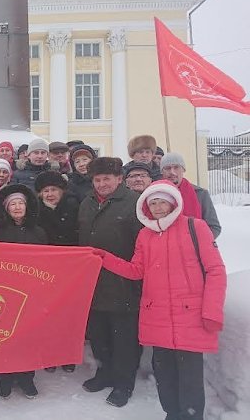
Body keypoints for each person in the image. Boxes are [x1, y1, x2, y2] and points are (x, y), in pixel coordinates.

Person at [96, 180, 226, 420]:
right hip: (157, 317)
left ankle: (190, 415)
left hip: (191, 316)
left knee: (189, 377)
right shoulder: (145, 234)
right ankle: (172, 414)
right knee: (165, 375)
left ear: (173, 202)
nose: (157, 207)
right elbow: (137, 270)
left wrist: (212, 311)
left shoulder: (195, 227)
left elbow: (216, 271)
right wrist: (105, 259)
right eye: (152, 202)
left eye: (162, 201)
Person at [78, 157, 143, 408]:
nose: (102, 184)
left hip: (124, 283)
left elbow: (142, 244)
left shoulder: (134, 203)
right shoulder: (87, 203)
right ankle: (104, 373)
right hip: (94, 283)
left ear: (119, 179)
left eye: (107, 179)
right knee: (99, 335)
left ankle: (124, 383)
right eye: (97, 179)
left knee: (124, 339)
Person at [0, 183, 47, 399]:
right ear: (6, 208)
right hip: (4, 290)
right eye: (12, 204)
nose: (17, 207)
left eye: (20, 203)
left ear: (27, 206)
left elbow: (47, 261)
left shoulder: (39, 232)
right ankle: (4, 378)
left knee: (27, 336)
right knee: (3, 336)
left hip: (30, 290)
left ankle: (27, 378)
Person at [34, 170, 80, 373]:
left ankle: (66, 354)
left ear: (61, 191)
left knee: (68, 314)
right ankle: (49, 354)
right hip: (45, 270)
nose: (50, 194)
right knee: (47, 314)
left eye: (54, 189)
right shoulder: (35, 212)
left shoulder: (74, 207)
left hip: (70, 268)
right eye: (46, 190)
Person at [160, 152, 221, 239]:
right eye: (167, 168)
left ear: (183, 169)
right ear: (162, 171)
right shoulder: (155, 194)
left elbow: (214, 227)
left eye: (176, 167)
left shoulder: (200, 194)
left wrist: (197, 242)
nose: (172, 172)